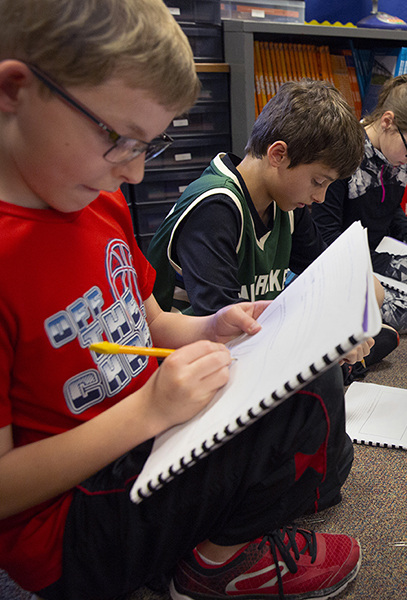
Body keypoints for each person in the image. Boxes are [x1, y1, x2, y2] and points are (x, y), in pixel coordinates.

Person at [0, 1, 363, 598]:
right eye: (119, 138)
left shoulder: (96, 196)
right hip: (68, 525)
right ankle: (213, 566)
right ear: (15, 90)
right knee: (290, 419)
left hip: (144, 437)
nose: (137, 173)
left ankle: (212, 540)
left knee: (304, 386)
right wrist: (148, 414)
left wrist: (210, 326)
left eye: (149, 146)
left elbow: (148, 322)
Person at [145, 79, 389, 378]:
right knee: (322, 379)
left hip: (248, 344)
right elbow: (222, 320)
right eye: (318, 181)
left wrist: (358, 296)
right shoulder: (215, 206)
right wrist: (321, 336)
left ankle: (339, 365)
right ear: (278, 155)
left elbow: (327, 272)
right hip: (191, 359)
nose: (320, 197)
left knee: (365, 302)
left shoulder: (286, 203)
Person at [311, 74, 407, 334]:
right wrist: (384, 264)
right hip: (340, 262)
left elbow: (388, 206)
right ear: (387, 122)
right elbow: (325, 237)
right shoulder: (342, 156)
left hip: (376, 253)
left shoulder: (397, 156)